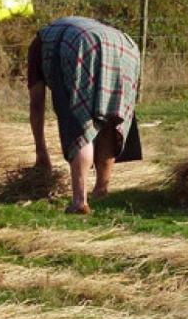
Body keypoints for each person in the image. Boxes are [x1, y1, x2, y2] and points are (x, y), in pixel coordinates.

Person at [27, 17, 143, 214]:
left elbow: (37, 104)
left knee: (80, 124)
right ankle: (101, 191)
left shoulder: (38, 45)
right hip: (125, 46)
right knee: (111, 119)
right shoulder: (60, 31)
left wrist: (41, 153)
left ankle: (79, 201)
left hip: (78, 45)